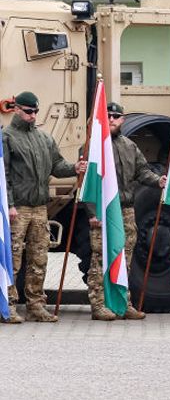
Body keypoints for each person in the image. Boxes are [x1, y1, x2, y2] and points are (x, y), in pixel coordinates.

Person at [2, 91, 83, 323]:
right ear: (17, 110)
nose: (33, 115)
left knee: (39, 259)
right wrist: (9, 205)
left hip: (39, 208)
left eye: (36, 111)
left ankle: (36, 306)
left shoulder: (44, 139)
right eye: (29, 111)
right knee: (12, 259)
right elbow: (3, 175)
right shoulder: (7, 138)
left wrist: (74, 168)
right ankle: (8, 306)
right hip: (18, 208)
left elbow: (57, 165)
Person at [86, 102, 167, 321]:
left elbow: (142, 172)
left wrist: (158, 180)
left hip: (126, 210)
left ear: (123, 120)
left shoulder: (130, 146)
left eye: (116, 116)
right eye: (108, 116)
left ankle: (123, 303)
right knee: (101, 258)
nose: (112, 119)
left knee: (125, 258)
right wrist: (93, 213)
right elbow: (88, 183)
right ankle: (99, 304)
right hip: (104, 211)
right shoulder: (94, 146)